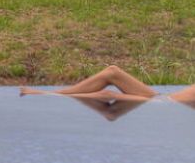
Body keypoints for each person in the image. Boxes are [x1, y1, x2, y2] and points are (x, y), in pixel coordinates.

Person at [20, 64, 195, 109]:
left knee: (108, 95)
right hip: (161, 98)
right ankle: (55, 93)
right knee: (112, 72)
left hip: (162, 105)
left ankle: (47, 95)